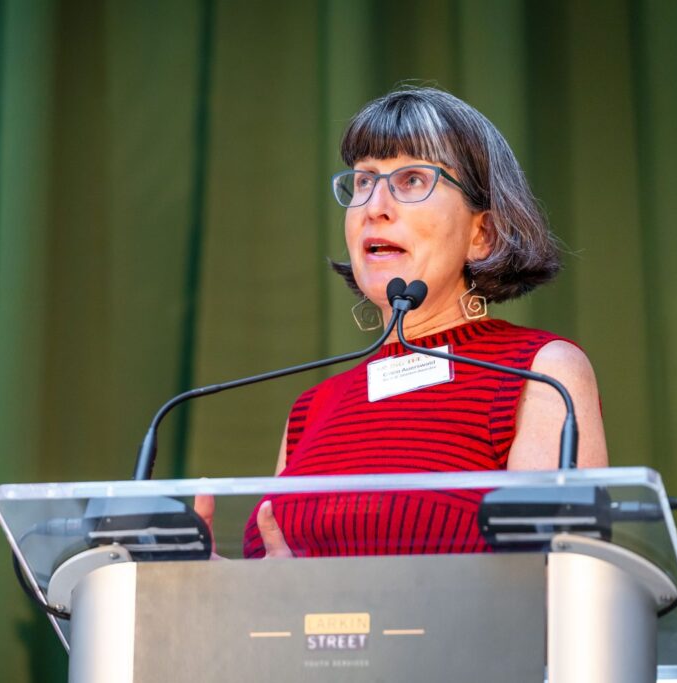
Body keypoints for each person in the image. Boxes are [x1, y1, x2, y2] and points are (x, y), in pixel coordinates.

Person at [236, 87, 608, 559]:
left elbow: (555, 585)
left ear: (482, 233)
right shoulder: (310, 410)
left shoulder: (539, 373)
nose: (374, 207)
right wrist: (219, 584)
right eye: (364, 181)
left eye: (412, 180)